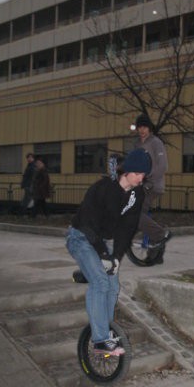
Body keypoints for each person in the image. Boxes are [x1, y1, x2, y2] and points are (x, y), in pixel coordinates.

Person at [65, 148, 151, 355]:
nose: (142, 178)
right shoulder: (102, 188)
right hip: (81, 237)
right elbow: (87, 224)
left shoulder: (137, 194)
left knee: (113, 286)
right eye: (138, 173)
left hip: (102, 240)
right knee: (101, 282)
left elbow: (127, 228)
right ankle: (100, 341)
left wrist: (116, 258)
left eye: (144, 174)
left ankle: (105, 327)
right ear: (127, 171)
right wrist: (104, 255)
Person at [133, 113, 172, 261]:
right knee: (135, 213)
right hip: (140, 184)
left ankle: (160, 235)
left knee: (136, 212)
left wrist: (148, 178)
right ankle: (157, 251)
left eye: (145, 127)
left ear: (149, 128)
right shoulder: (137, 144)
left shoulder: (156, 142)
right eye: (140, 127)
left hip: (153, 185)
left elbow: (163, 166)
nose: (142, 130)